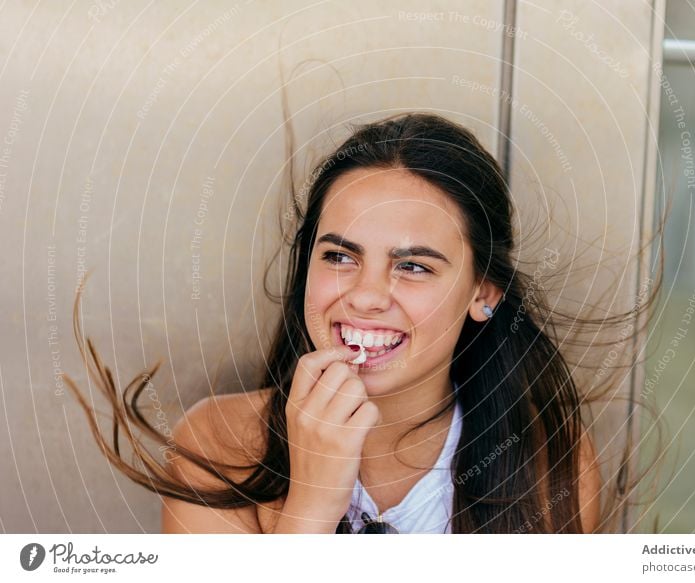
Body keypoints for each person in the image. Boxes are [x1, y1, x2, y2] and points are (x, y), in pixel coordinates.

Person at [64, 111, 661, 534]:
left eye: (414, 267)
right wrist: (314, 502)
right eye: (340, 257)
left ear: (484, 294)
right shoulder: (220, 443)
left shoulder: (543, 457)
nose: (367, 296)